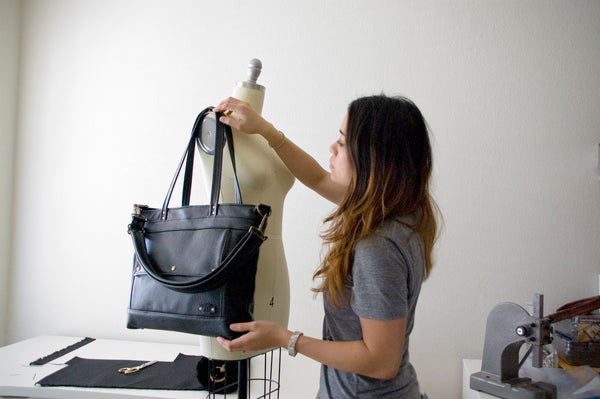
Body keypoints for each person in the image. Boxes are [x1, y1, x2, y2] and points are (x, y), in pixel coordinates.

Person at [213, 94, 438, 398]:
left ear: (373, 158)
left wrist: (285, 338)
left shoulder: (378, 247)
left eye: (343, 142)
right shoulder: (402, 211)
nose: (332, 147)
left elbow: (382, 362)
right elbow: (318, 177)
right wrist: (265, 130)